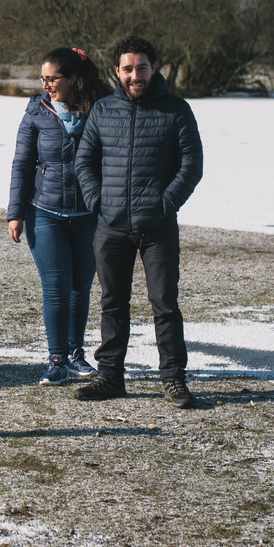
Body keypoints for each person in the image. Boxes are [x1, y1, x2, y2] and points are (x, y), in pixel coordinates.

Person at [72, 35, 203, 408]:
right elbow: (85, 162)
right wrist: (99, 200)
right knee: (112, 303)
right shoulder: (102, 110)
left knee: (164, 303)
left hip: (157, 226)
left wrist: (165, 204)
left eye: (141, 68)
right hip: (110, 226)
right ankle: (110, 377)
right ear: (117, 71)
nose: (135, 75)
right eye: (127, 69)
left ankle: (174, 380)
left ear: (153, 68)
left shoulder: (177, 110)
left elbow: (191, 165)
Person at [7, 47, 112, 385]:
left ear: (74, 79)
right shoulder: (37, 111)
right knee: (56, 287)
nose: (46, 85)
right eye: (43, 79)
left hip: (89, 214)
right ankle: (56, 360)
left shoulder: (103, 109)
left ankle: (76, 355)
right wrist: (15, 213)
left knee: (80, 287)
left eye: (52, 79)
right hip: (44, 212)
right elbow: (22, 164)